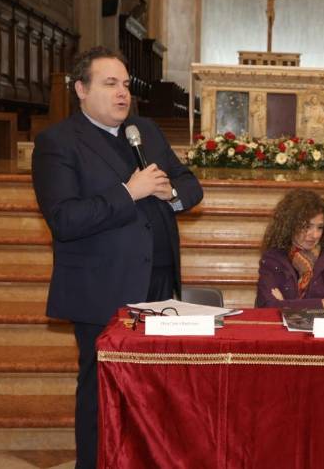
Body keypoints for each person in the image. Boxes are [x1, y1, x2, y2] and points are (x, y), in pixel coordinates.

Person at [31, 46, 202, 469]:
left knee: (155, 388)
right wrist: (131, 191)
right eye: (110, 84)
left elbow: (190, 184)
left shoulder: (145, 130)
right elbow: (65, 219)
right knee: (100, 391)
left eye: (125, 84)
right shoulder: (57, 143)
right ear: (81, 90)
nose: (122, 93)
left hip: (159, 284)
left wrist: (171, 193)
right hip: (103, 289)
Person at [255, 189, 324, 309]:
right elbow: (268, 306)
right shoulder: (272, 258)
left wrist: (284, 305)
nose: (315, 235)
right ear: (290, 226)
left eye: (320, 227)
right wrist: (321, 303)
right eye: (307, 227)